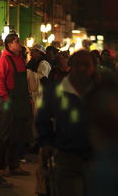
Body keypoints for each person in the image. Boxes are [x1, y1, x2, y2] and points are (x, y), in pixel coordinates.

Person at [36, 50, 97, 196]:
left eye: (86, 65)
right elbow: (42, 120)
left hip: (98, 160)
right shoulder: (56, 91)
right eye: (78, 64)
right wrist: (47, 142)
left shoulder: (102, 92)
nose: (82, 68)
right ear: (71, 66)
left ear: (93, 67)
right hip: (67, 157)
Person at [0, 33, 33, 176]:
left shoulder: (20, 59)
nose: (19, 44)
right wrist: (5, 98)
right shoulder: (5, 59)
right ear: (9, 44)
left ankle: (14, 165)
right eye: (17, 41)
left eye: (19, 41)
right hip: (9, 102)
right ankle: (2, 167)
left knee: (18, 135)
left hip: (21, 102)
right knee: (6, 135)